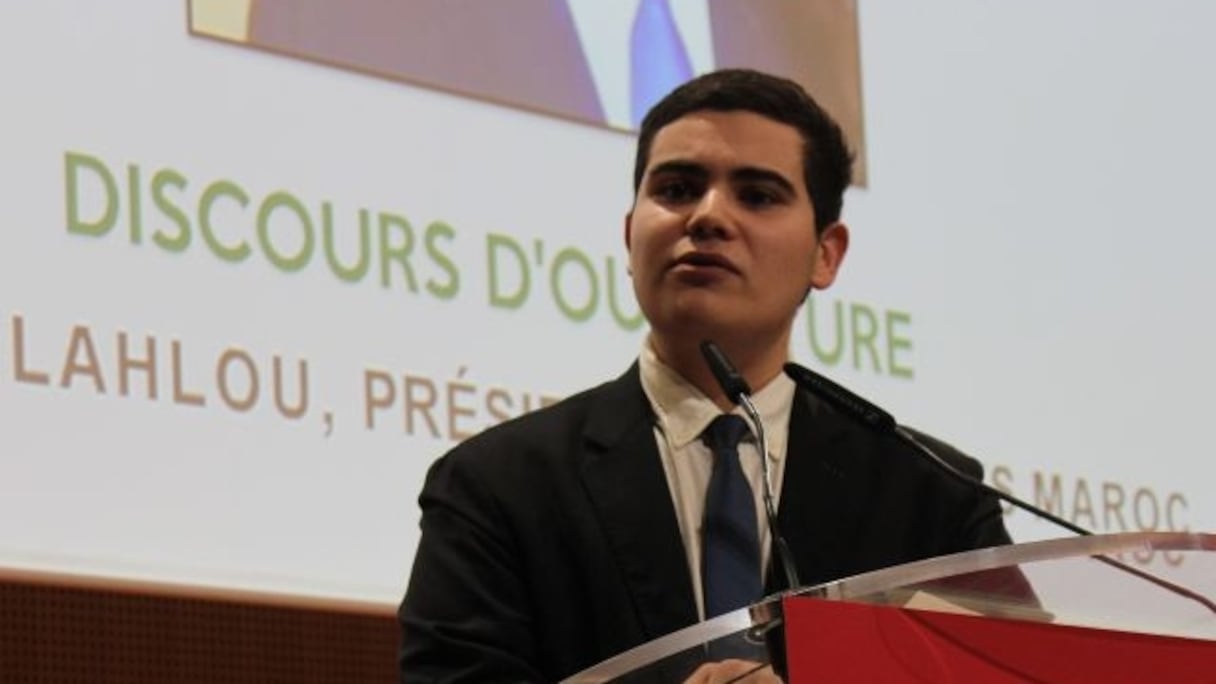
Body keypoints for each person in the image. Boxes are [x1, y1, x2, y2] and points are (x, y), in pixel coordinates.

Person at [397, 68, 1013, 682]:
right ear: (629, 232)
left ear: (826, 254)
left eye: (758, 196)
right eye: (677, 188)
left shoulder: (935, 497)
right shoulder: (497, 487)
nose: (708, 217)